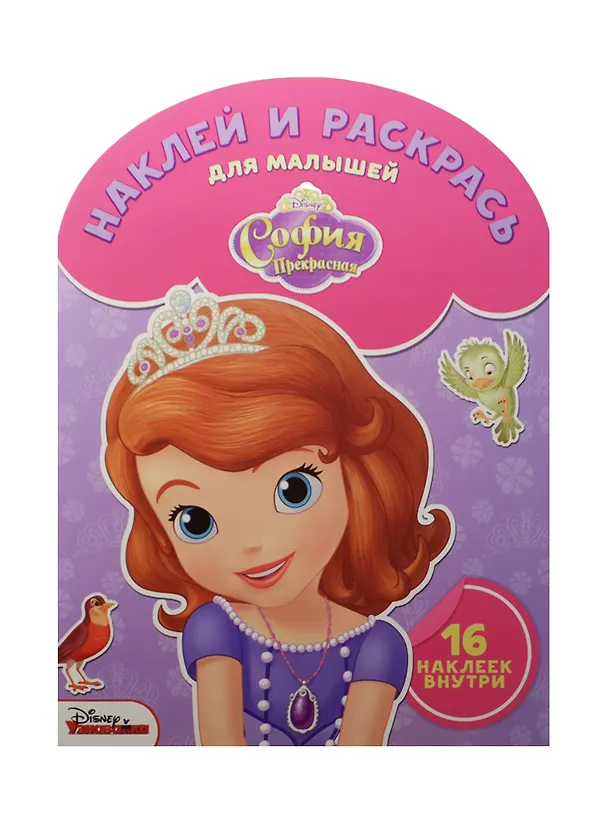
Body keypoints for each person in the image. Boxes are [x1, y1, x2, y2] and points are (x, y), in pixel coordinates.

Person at [104, 286, 452, 745]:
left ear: (358, 472)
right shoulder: (217, 630)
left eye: (294, 489)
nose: (251, 542)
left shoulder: (378, 646)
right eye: (194, 520)